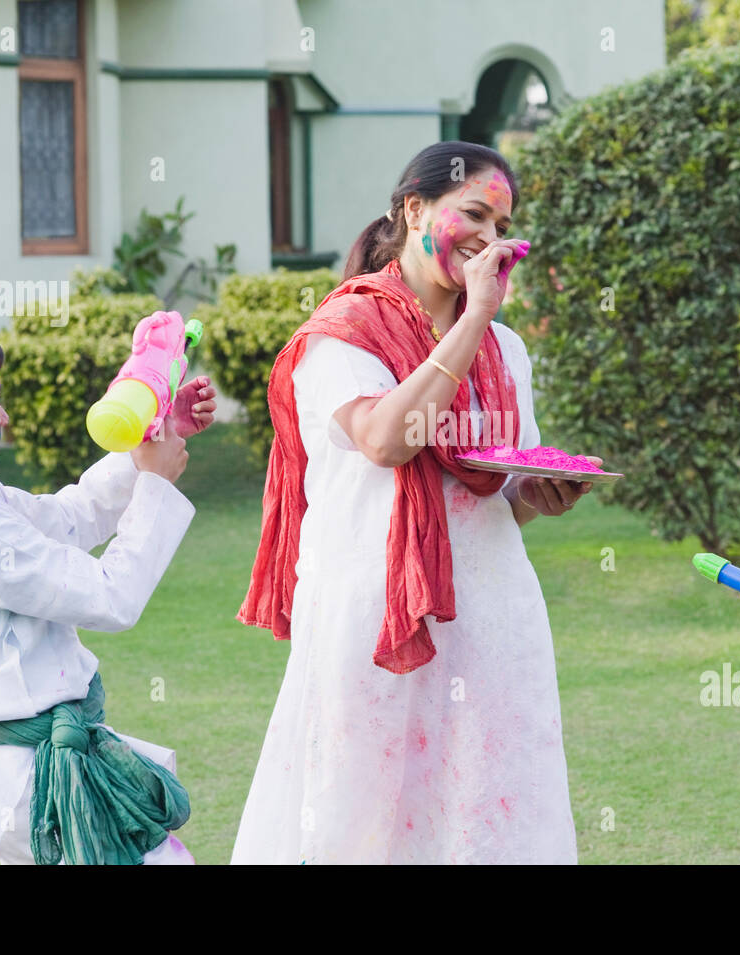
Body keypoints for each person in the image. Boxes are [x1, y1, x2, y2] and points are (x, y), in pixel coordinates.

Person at [234, 141, 594, 864]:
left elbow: (499, 491)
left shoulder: (506, 350)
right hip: (375, 624)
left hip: (490, 617)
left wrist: (539, 496)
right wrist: (472, 321)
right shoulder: (343, 336)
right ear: (414, 209)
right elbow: (387, 438)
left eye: (501, 225)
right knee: (365, 823)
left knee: (481, 816)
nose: (488, 240)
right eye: (473, 215)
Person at [0, 311, 217, 864]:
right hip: (33, 773)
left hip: (35, 762)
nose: (2, 414)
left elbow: (67, 519)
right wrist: (152, 482)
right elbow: (110, 597)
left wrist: (150, 438)